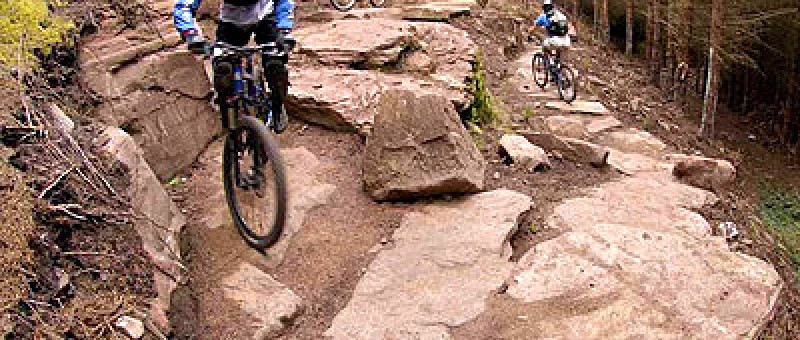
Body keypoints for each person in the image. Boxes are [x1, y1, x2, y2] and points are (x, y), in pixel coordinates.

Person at [173, 0, 295, 133]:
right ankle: (227, 113)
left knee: (275, 66)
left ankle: (278, 104)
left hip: (265, 17)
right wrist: (191, 35)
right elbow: (184, 4)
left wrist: (284, 30)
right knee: (223, 70)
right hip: (231, 21)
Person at [532, 0, 571, 65]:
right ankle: (559, 68)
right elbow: (567, 27)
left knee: (545, 46)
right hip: (566, 41)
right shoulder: (560, 15)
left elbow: (534, 28)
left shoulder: (543, 16)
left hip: (554, 41)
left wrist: (530, 34)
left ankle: (550, 64)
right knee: (559, 55)